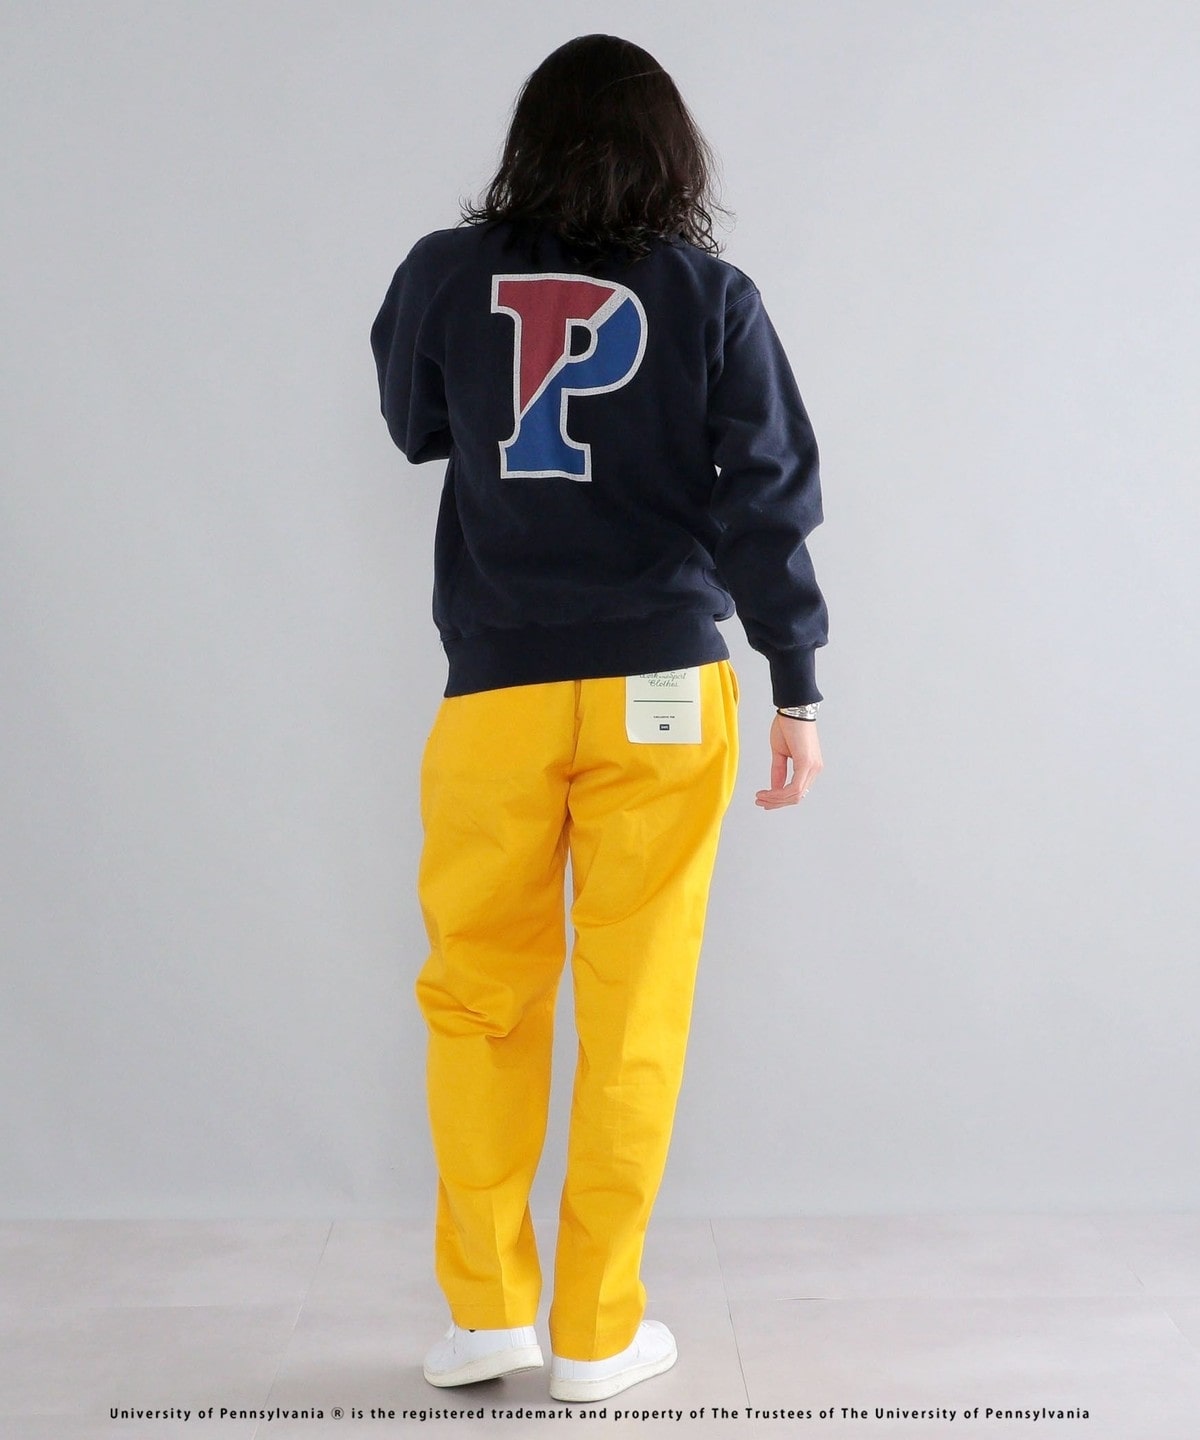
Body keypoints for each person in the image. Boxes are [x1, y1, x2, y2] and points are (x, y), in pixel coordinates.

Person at [369, 32, 828, 1405]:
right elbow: (767, 494)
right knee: (635, 1011)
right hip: (665, 689)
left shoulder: (443, 274)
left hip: (499, 689)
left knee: (478, 999)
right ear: (672, 151)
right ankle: (595, 1334)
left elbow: (414, 424)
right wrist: (796, 682)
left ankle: (488, 1316)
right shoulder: (713, 295)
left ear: (530, 139)